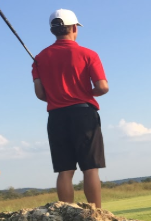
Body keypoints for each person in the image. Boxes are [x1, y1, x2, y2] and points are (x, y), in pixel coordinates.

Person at [32, 9, 109, 208]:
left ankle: (66, 217)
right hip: (84, 113)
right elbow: (102, 87)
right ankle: (96, 215)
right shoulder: (88, 54)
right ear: (75, 28)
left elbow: (41, 95)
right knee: (90, 168)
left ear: (53, 31)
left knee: (65, 171)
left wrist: (59, 94)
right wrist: (84, 92)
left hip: (56, 116)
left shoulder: (39, 59)